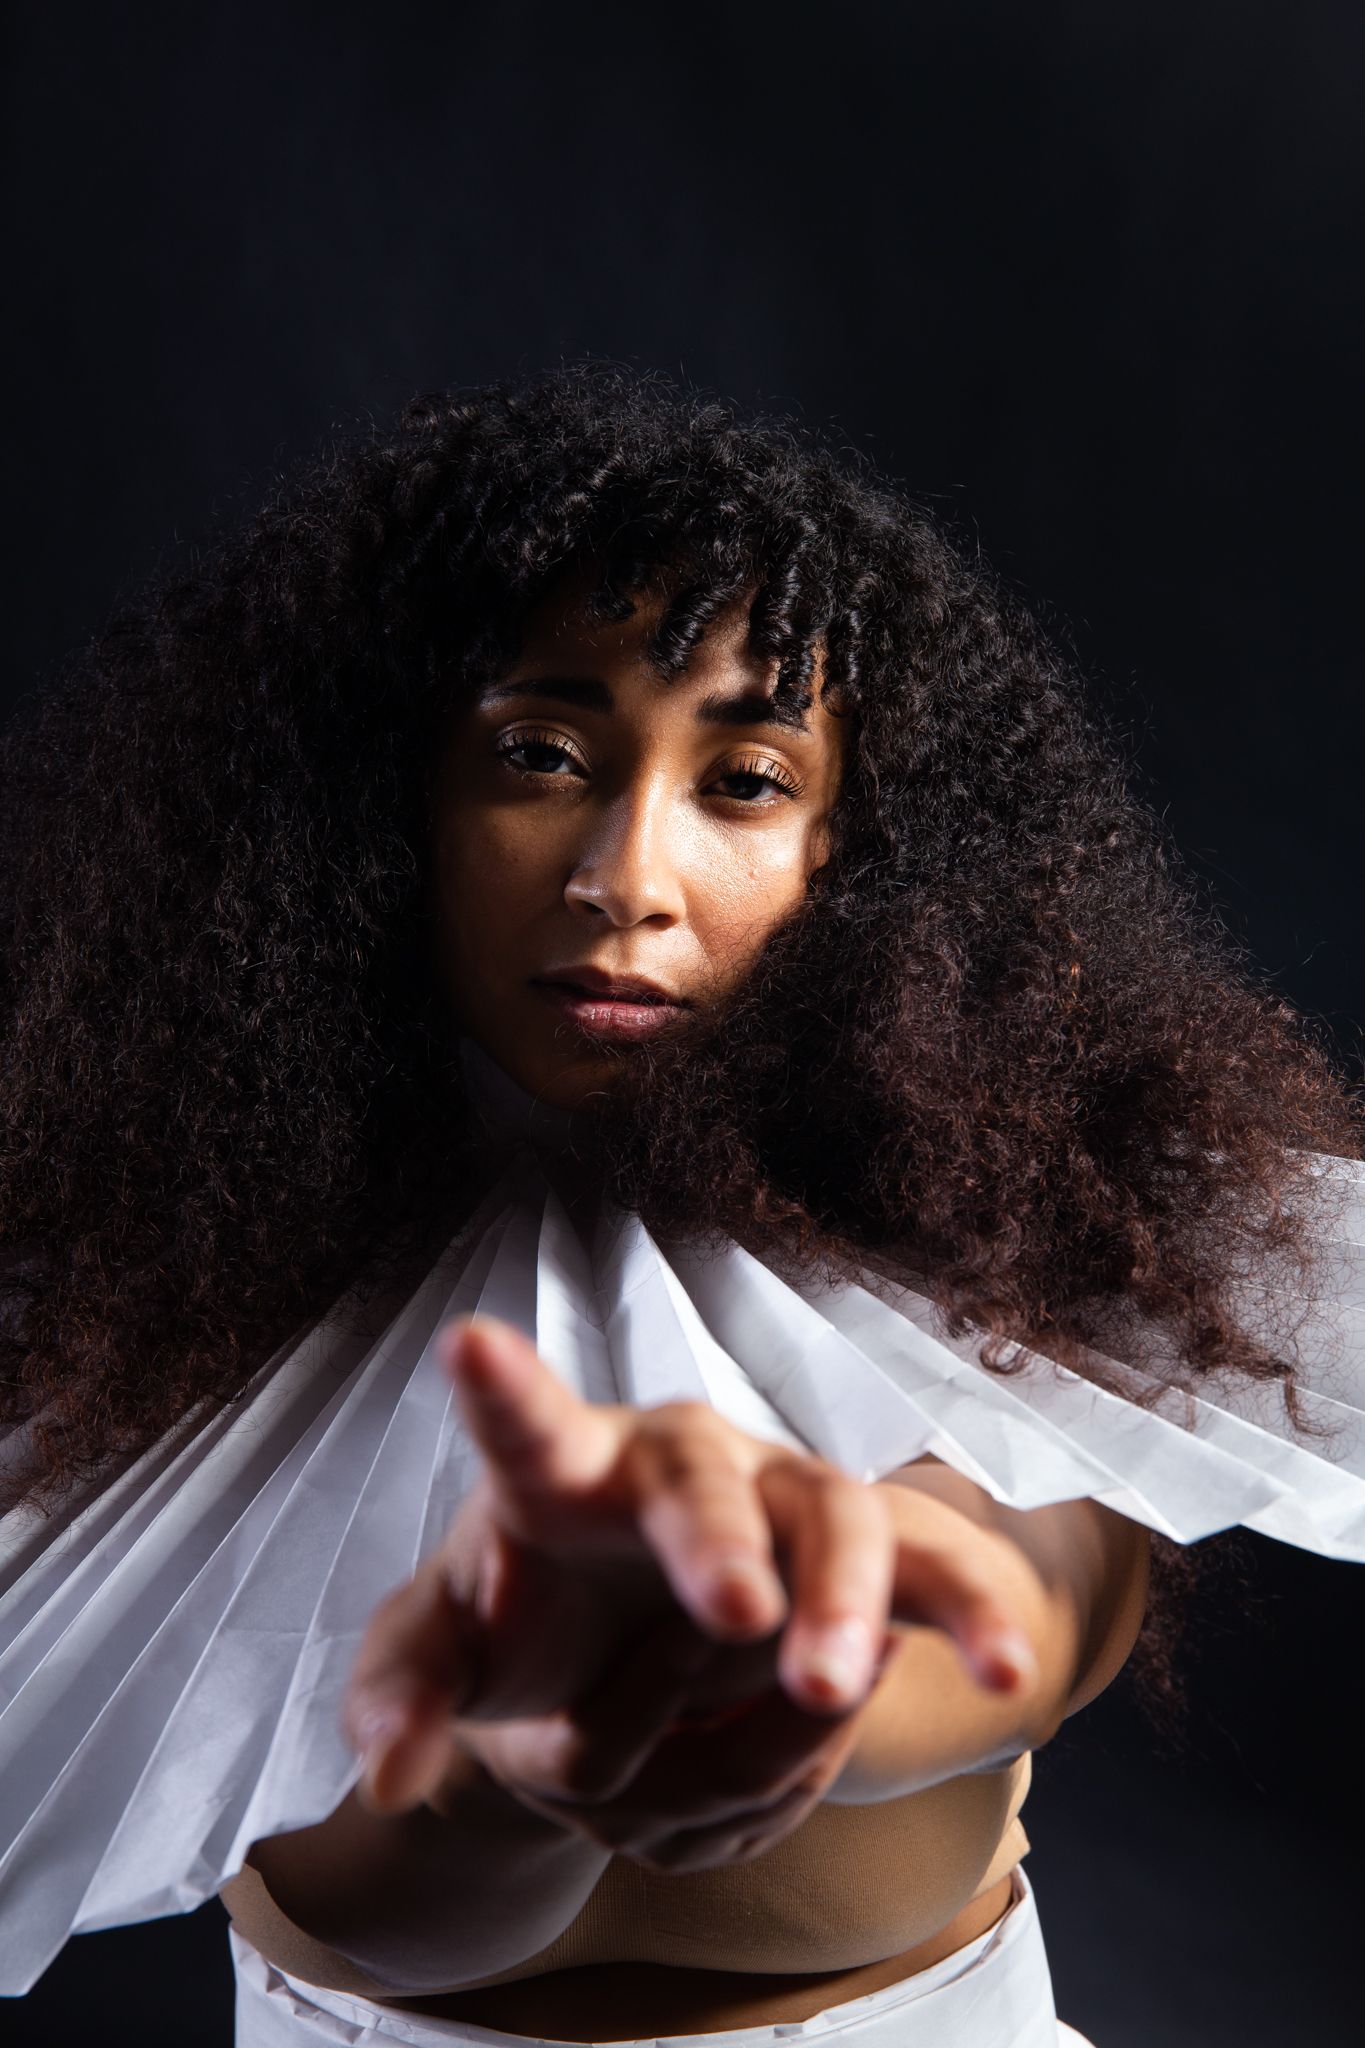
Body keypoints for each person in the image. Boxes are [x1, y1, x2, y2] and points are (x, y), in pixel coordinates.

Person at [0, 365, 1360, 2048]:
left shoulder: (1014, 1228)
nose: (625, 879)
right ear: (383, 804)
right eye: (542, 753)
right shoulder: (142, 1289)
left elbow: (1023, 1595)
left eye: (743, 780)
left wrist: (806, 1629)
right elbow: (379, 1906)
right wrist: (523, 1756)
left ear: (850, 850)